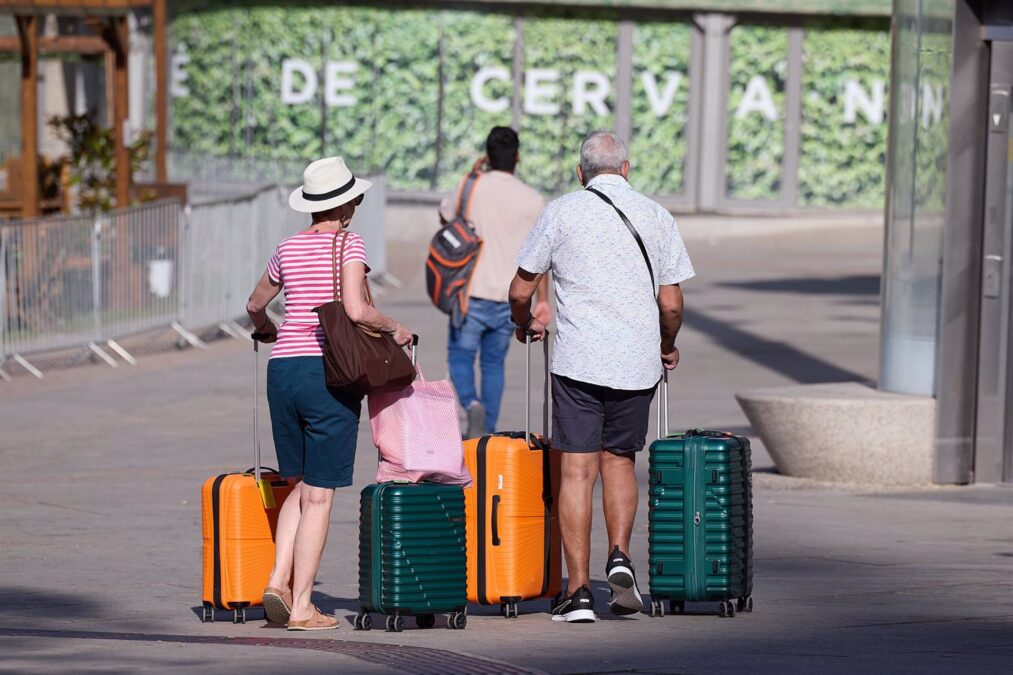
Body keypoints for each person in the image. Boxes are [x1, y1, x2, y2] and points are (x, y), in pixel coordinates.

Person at [508, 131, 694, 623]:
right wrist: (666, 345)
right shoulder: (656, 215)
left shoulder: (561, 211)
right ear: (627, 170)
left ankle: (578, 592)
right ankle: (619, 555)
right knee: (619, 462)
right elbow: (671, 303)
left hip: (578, 362)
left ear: (580, 172)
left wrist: (522, 322)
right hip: (636, 364)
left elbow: (520, 288)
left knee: (575, 471)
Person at [246, 156, 413, 630]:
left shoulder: (286, 248)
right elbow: (358, 311)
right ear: (347, 204)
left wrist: (267, 330)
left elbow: (255, 303)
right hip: (328, 375)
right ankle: (301, 607)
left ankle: (279, 581)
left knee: (298, 487)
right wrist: (396, 327)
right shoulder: (349, 243)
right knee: (320, 496)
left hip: (282, 373)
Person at [439, 126, 550, 438]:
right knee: (493, 364)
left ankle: (471, 402)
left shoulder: (469, 186)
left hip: (469, 291)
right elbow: (540, 257)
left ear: (486, 156)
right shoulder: (532, 199)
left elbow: (446, 218)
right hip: (510, 296)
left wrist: (472, 178)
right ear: (517, 156)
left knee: (460, 355)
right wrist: (542, 300)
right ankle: (486, 433)